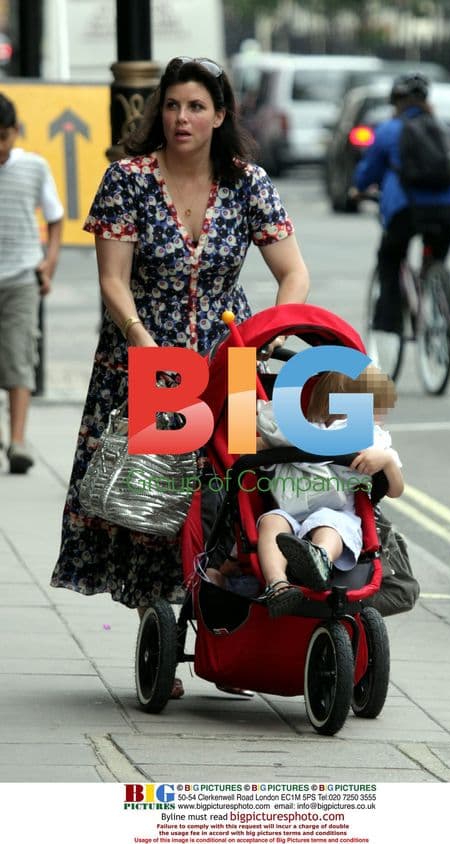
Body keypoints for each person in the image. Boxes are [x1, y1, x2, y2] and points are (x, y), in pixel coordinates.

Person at [50, 57, 310, 697]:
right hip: (148, 357)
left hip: (231, 356)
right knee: (155, 499)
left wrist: (268, 333)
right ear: (157, 113)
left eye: (196, 107)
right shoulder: (128, 180)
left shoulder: (248, 182)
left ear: (220, 115)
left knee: (235, 489)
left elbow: (292, 272)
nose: (182, 118)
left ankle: (226, 627)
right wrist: (143, 344)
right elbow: (112, 279)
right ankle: (158, 628)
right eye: (171, 106)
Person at [255, 366, 404, 617]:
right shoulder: (297, 433)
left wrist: (387, 461)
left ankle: (318, 560)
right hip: (291, 513)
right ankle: (278, 585)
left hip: (336, 511)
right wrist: (267, 437)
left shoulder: (371, 440)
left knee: (327, 526)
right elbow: (250, 446)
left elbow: (396, 489)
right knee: (270, 521)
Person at [352, 72, 450, 337]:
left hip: (406, 210)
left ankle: (388, 323)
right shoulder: (445, 129)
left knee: (389, 257)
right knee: (436, 256)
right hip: (449, 211)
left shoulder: (389, 130)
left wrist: (358, 190)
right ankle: (436, 292)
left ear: (396, 102)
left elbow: (367, 172)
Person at [0, 92, 64, 473]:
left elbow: (55, 217)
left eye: (4, 137)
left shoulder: (35, 168)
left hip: (22, 276)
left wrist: (50, 261)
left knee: (19, 358)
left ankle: (18, 440)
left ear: (16, 132)